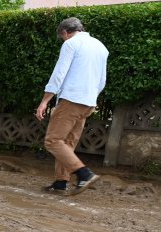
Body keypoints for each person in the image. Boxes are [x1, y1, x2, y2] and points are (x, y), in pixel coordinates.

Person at [35, 17, 107, 195]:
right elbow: (102, 81)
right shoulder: (101, 46)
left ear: (65, 33)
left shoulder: (71, 44)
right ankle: (61, 183)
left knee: (53, 140)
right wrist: (91, 98)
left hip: (71, 99)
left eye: (62, 37)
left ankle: (84, 174)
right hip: (89, 102)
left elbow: (59, 74)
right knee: (67, 143)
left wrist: (44, 101)